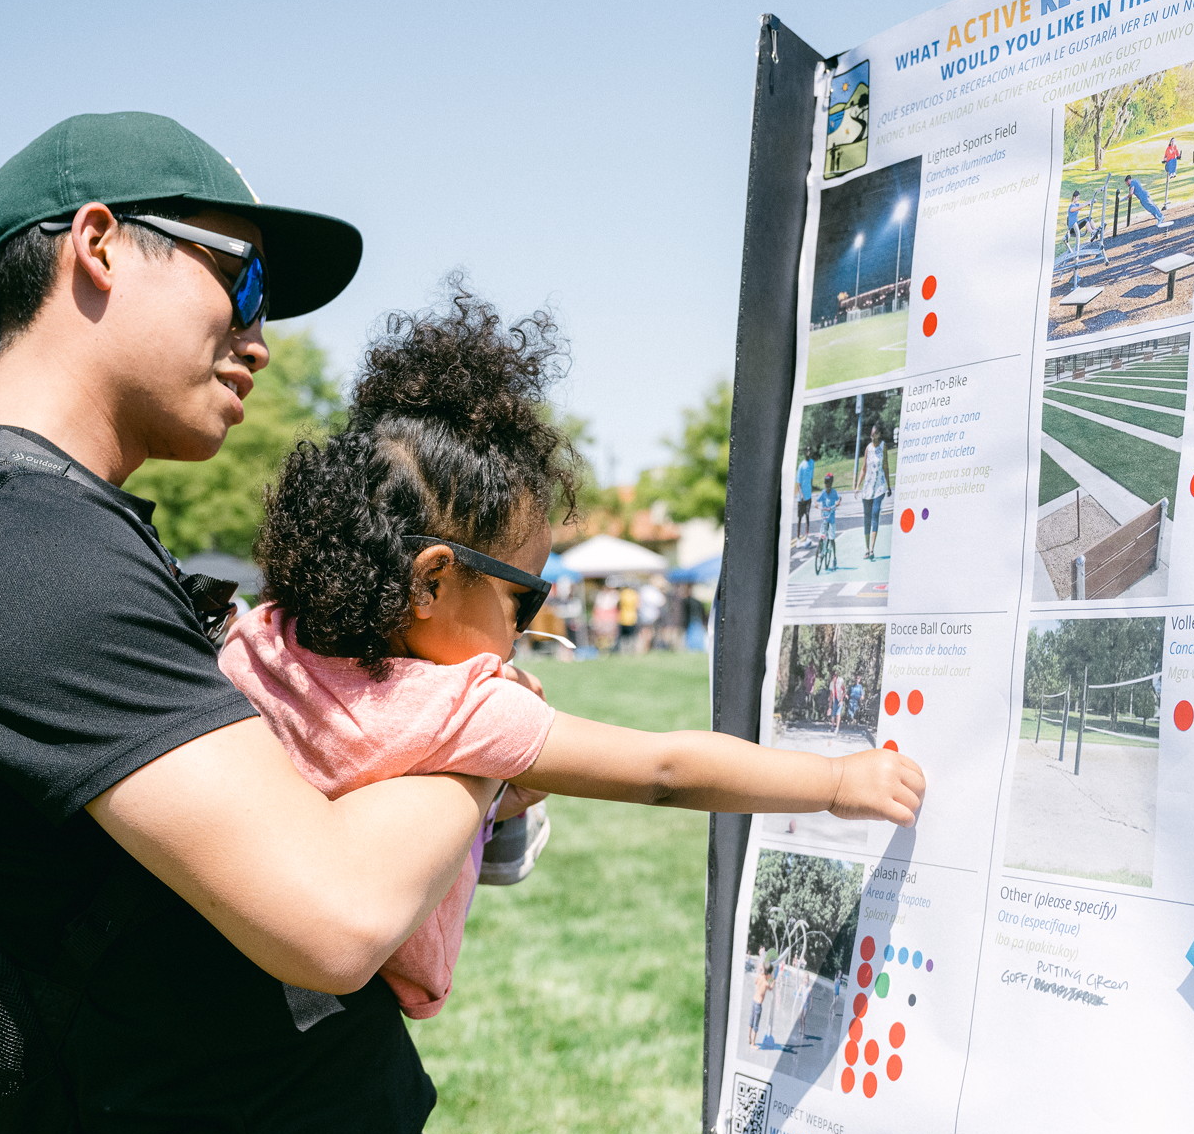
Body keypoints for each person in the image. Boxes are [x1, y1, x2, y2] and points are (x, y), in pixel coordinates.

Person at [0, 112, 479, 1134]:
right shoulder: (18, 553)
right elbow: (333, 915)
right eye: (244, 279)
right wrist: (487, 737)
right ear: (96, 244)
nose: (262, 338)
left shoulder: (22, 522)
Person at [220, 292, 926, 1024]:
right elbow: (664, 771)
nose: (523, 629)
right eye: (522, 599)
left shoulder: (266, 639)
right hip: (368, 1000)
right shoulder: (464, 705)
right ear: (430, 582)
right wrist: (837, 780)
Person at [857, 422, 891, 561]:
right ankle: (866, 549)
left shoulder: (883, 446)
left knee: (875, 513)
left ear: (879, 434)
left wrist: (889, 485)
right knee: (867, 518)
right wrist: (857, 486)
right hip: (867, 488)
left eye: (875, 432)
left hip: (879, 487)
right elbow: (864, 468)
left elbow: (885, 466)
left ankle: (872, 549)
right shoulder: (868, 448)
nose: (872, 434)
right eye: (871, 432)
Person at [795, 452, 816, 542]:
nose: (808, 453)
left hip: (808, 496)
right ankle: (798, 537)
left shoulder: (812, 463)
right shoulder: (801, 466)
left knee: (807, 515)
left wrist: (811, 489)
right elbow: (798, 483)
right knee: (800, 518)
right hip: (802, 498)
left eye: (809, 451)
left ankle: (807, 536)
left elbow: (811, 478)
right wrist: (801, 494)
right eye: (806, 452)